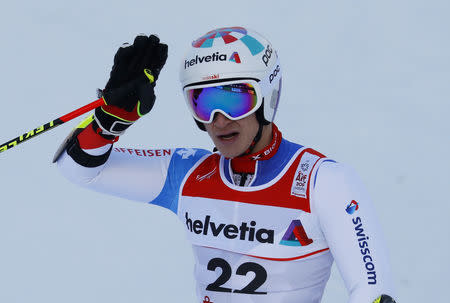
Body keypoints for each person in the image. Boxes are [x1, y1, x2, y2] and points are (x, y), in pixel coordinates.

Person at [55, 27, 397, 303]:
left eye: (234, 98)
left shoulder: (323, 182)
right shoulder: (187, 174)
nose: (219, 120)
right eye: (203, 102)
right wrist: (110, 120)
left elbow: (373, 292)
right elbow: (81, 169)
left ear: (268, 96)